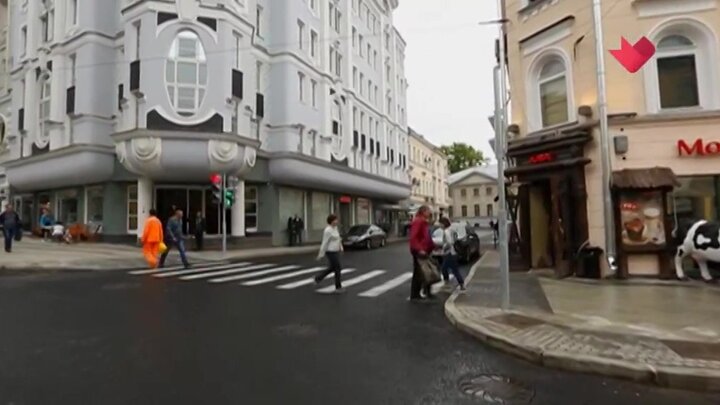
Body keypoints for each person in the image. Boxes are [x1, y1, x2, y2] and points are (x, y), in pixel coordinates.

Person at [409, 205, 436, 301]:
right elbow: (413, 237)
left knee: (426, 271)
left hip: (425, 250)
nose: (430, 213)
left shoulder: (424, 222)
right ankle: (415, 295)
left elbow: (426, 237)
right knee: (418, 272)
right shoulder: (418, 221)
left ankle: (427, 291)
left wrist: (433, 246)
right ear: (423, 211)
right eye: (428, 211)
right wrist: (419, 249)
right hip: (419, 251)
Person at [314, 214, 344, 293]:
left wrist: (341, 247)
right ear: (331, 221)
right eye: (335, 220)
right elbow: (324, 243)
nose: (336, 221)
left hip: (336, 251)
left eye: (336, 220)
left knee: (332, 268)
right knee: (338, 268)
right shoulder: (327, 230)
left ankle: (318, 278)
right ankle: (338, 287)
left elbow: (338, 238)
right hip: (330, 251)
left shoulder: (335, 228)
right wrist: (320, 254)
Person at [439, 217, 466, 291]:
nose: (439, 225)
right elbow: (455, 238)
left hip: (449, 253)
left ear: (443, 224)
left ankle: (447, 282)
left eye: (440, 224)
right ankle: (461, 284)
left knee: (445, 269)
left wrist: (444, 249)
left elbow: (449, 242)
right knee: (454, 269)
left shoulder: (446, 231)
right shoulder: (451, 230)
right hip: (453, 253)